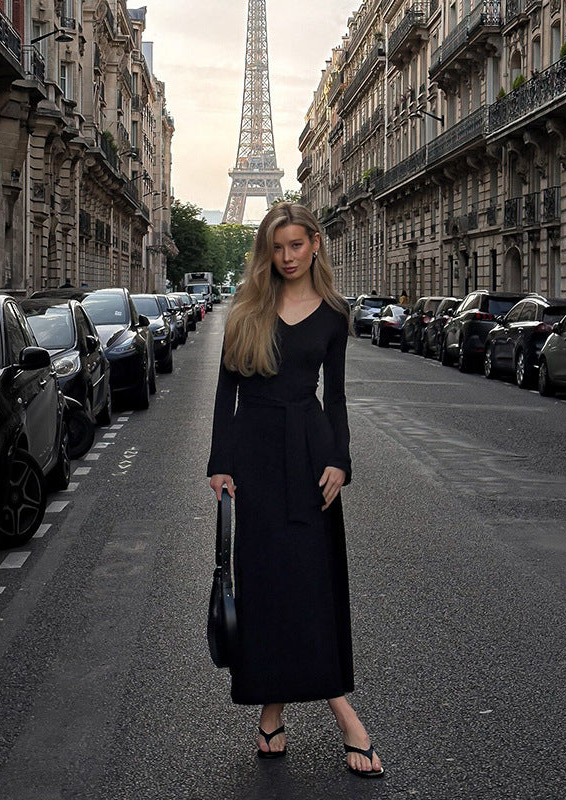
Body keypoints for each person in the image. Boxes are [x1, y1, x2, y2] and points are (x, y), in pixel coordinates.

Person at [207, 202, 384, 779]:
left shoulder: (334, 314)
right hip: (255, 456)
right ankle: (279, 708)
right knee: (265, 586)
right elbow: (225, 392)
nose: (286, 258)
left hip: (309, 456)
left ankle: (335, 714)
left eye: (296, 246)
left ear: (314, 245)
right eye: (277, 247)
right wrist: (220, 463)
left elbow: (336, 398)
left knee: (312, 584)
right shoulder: (247, 308)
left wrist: (340, 460)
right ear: (268, 250)